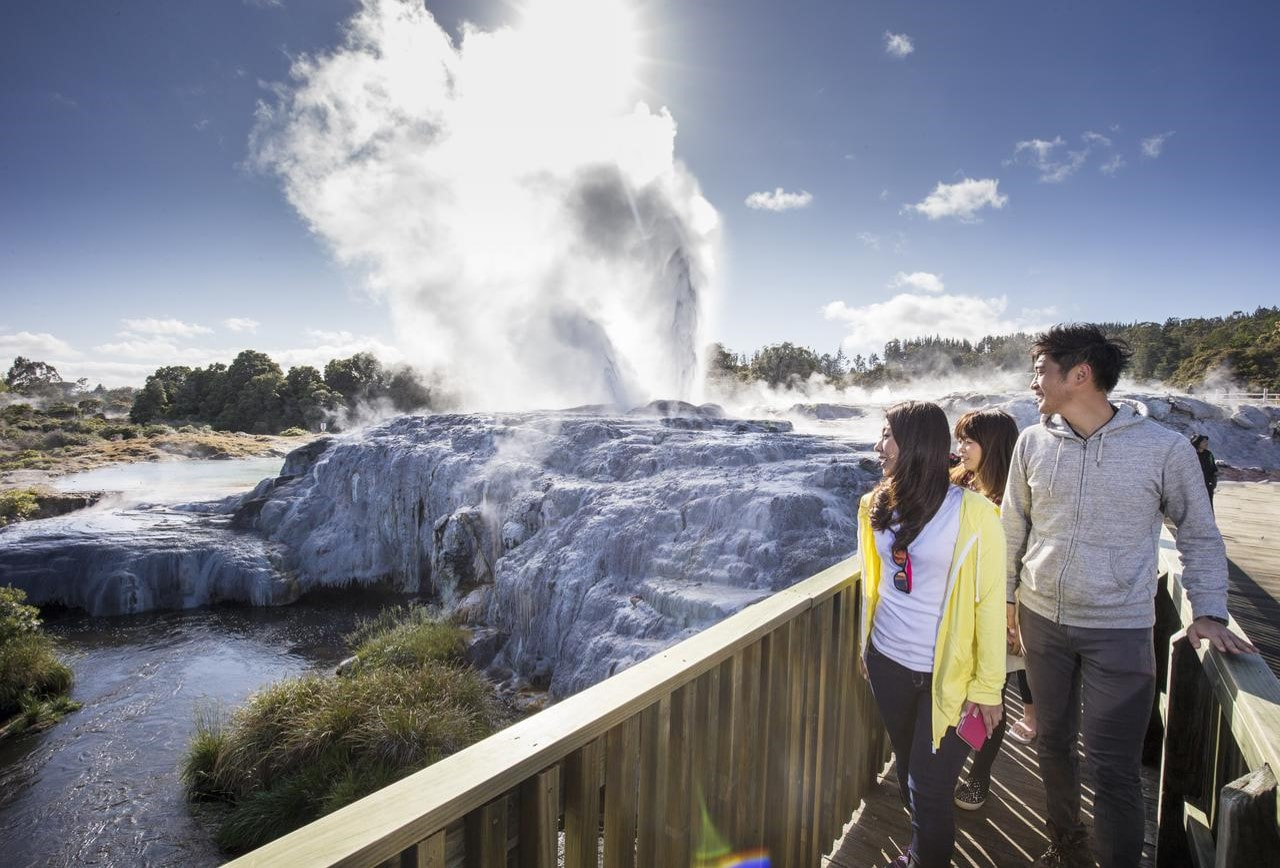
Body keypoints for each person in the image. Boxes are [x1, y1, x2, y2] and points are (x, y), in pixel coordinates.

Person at [1003, 324, 1257, 868]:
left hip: (1119, 628)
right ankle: (1065, 845)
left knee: (1112, 766)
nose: (1033, 382)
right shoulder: (1031, 442)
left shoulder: (1163, 449)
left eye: (1041, 371)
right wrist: (1006, 601)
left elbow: (1199, 535)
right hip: (1040, 618)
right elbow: (1013, 528)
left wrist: (1210, 612)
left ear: (1080, 374)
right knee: (1052, 742)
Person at [858, 401, 1008, 868]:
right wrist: (865, 645)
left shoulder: (976, 513)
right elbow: (873, 583)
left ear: (917, 443)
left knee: (929, 785)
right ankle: (918, 849)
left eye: (888, 435)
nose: (878, 446)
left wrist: (989, 687)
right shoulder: (874, 504)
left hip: (952, 674)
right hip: (888, 660)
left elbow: (989, 605)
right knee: (908, 768)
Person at [946, 408, 1039, 813]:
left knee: (990, 696)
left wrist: (1014, 615)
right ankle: (948, 765)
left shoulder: (1017, 503)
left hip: (997, 615)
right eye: (960, 440)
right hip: (956, 612)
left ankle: (979, 774)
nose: (961, 448)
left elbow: (1022, 562)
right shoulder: (957, 484)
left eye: (969, 441)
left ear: (995, 445)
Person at [1191, 434, 1218, 507]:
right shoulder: (1191, 455)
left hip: (1207, 485)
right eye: (1204, 442)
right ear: (1197, 443)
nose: (1206, 443)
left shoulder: (1208, 454)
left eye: (1206, 441)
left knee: (1208, 506)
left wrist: (1213, 481)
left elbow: (1213, 468)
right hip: (1193, 486)